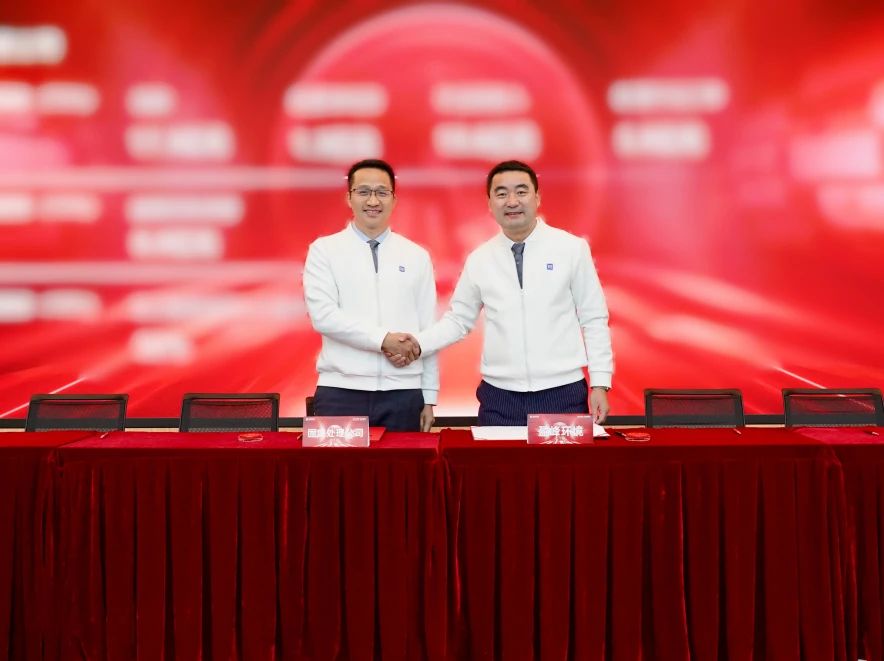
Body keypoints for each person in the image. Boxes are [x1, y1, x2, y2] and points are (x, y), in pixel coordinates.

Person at [388, 160, 612, 425]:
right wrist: (417, 344)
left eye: (521, 191)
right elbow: (458, 320)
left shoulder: (572, 249)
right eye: (502, 193)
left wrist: (600, 382)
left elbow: (593, 318)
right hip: (499, 397)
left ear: (537, 197)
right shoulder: (480, 258)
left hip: (562, 391)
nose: (512, 201)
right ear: (490, 203)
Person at [302, 159, 437, 431]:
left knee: (405, 462)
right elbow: (324, 317)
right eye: (363, 192)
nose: (373, 201)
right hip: (341, 391)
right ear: (349, 198)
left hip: (404, 392)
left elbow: (428, 328)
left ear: (394, 199)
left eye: (382, 192)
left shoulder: (417, 255)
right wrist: (383, 340)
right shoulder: (324, 251)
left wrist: (430, 395)